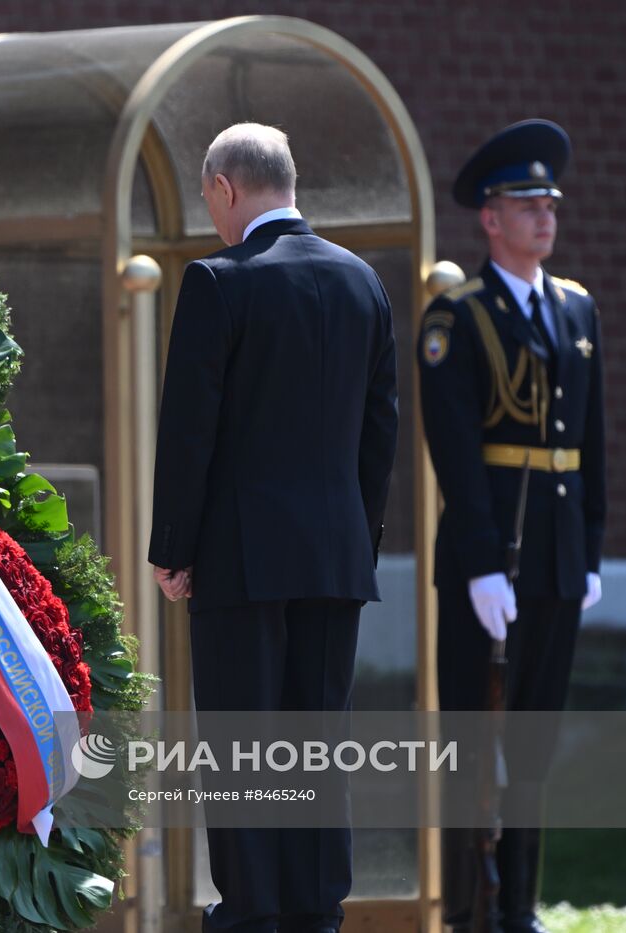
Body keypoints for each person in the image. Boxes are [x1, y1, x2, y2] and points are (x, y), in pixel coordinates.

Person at [148, 123, 399, 933]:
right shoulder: (366, 283)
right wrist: (358, 542)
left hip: (242, 560)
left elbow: (191, 429)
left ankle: (253, 914)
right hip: (335, 558)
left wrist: (174, 550)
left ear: (225, 188)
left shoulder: (219, 281)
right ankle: (315, 912)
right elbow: (378, 434)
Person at [417, 119, 606, 933]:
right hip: (488, 560)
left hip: (557, 557)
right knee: (473, 741)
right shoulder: (457, 318)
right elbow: (456, 451)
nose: (544, 216)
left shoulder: (576, 308)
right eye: (526, 203)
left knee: (531, 745)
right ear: (489, 218)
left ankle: (520, 906)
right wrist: (483, 562)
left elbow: (592, 442)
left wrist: (590, 551)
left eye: (549, 202)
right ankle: (471, 907)